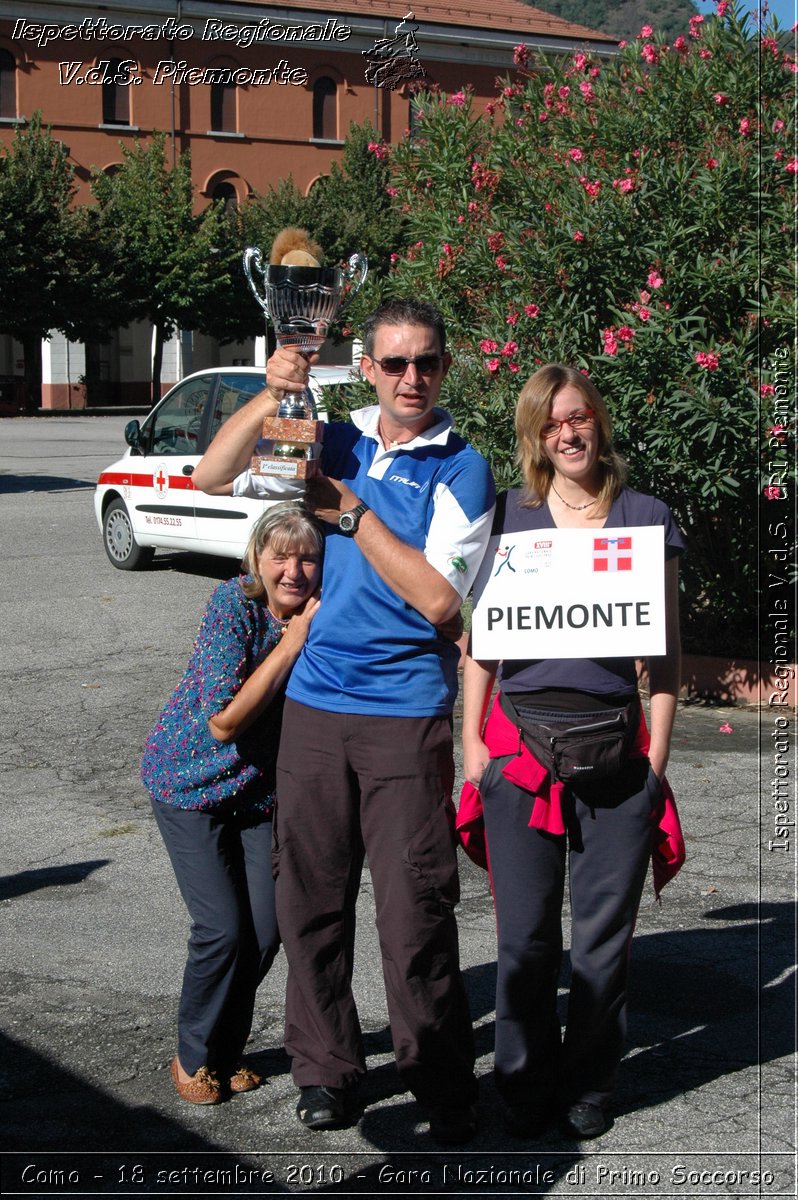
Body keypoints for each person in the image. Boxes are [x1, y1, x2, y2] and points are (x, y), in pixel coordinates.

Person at [192, 298, 496, 1143]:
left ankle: (440, 1082)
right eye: (395, 363)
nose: (411, 379)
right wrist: (270, 392)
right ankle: (328, 1073)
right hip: (317, 710)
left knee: (415, 915)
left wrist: (350, 508)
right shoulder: (336, 434)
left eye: (427, 363)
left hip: (405, 715)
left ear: (445, 367)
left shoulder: (461, 465)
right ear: (365, 366)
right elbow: (214, 476)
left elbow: (442, 600)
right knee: (312, 905)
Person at [461, 364, 685, 1141]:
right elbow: (480, 649)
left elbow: (666, 660)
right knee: (524, 938)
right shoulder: (506, 518)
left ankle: (590, 1080)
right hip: (519, 754)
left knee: (601, 941)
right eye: (553, 422)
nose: (569, 433)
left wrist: (653, 765)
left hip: (618, 760)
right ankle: (523, 1080)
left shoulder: (646, 516)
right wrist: (471, 751)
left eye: (580, 417)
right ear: (535, 434)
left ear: (600, 422)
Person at [141, 503, 323, 1105]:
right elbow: (223, 722)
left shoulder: (321, 614)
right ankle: (193, 1054)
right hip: (191, 785)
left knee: (266, 932)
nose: (293, 570)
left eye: (307, 557)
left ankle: (226, 1051)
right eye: (280, 555)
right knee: (221, 928)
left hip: (258, 796)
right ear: (257, 559)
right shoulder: (233, 605)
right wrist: (291, 644)